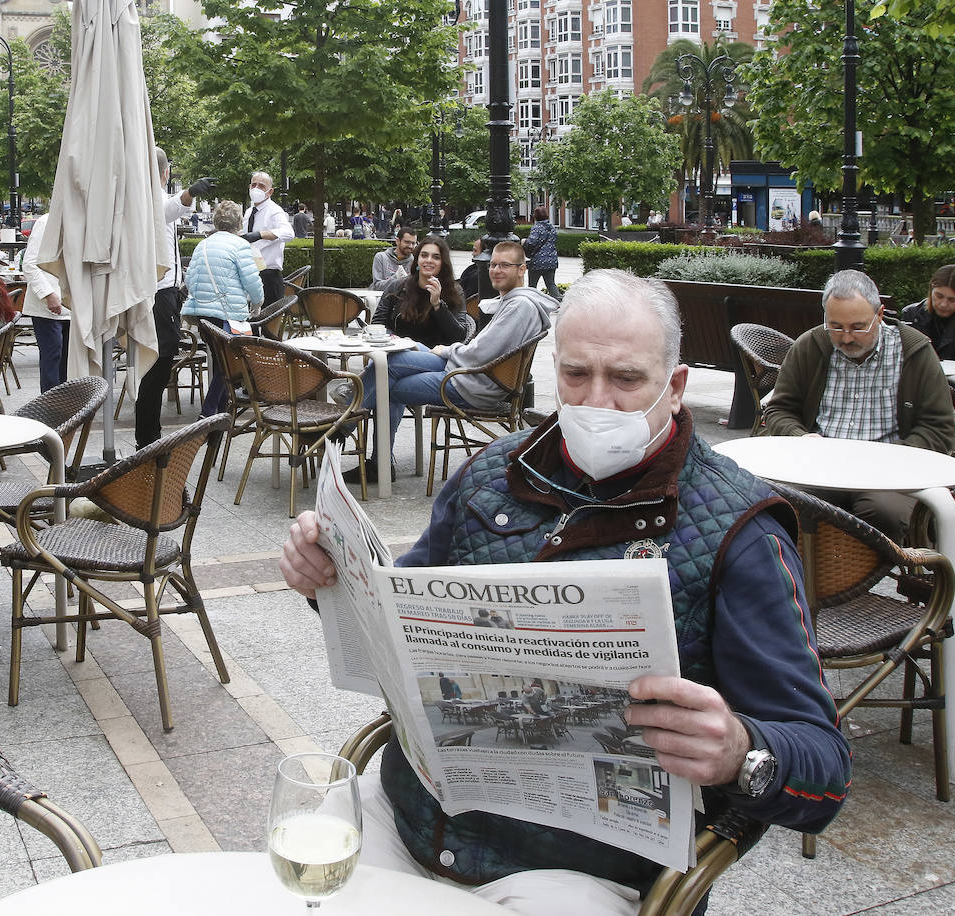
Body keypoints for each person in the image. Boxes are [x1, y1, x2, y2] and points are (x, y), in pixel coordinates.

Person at [279, 268, 851, 914]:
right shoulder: (489, 476)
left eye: (627, 379)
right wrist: (325, 575)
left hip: (577, 872)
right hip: (408, 817)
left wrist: (741, 750)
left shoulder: (739, 532)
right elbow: (397, 607)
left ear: (676, 385)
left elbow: (826, 767)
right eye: (576, 375)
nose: (596, 401)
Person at [764, 269, 955, 540]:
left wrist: (898, 457)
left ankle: (855, 579)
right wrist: (801, 437)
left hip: (890, 473)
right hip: (821, 467)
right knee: (781, 504)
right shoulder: (811, 345)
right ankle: (810, 577)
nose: (846, 338)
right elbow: (779, 409)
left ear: (879, 315)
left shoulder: (913, 351)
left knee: (883, 512)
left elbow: (940, 427)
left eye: (858, 327)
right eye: (836, 326)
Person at [343, 240, 549, 484]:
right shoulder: (514, 302)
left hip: (470, 381)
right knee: (394, 360)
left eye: (504, 265)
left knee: (385, 375)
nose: (495, 270)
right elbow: (477, 349)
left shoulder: (518, 306)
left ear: (522, 269)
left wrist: (446, 348)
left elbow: (478, 350)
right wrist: (445, 351)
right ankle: (362, 438)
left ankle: (344, 423)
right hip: (467, 371)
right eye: (493, 264)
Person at [136, 148, 216, 448]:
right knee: (157, 365)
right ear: (165, 171)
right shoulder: (150, 198)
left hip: (163, 293)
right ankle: (148, 438)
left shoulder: (147, 197)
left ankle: (148, 436)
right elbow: (165, 212)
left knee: (158, 363)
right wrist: (188, 193)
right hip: (158, 295)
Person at [182, 200, 264, 418]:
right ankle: (209, 411)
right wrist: (257, 303)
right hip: (228, 315)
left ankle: (220, 413)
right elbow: (252, 281)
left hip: (202, 314)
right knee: (228, 364)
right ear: (239, 223)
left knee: (222, 363)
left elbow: (189, 278)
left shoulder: (203, 244)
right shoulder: (240, 245)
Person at [372, 235, 467, 349]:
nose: (429, 260)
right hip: (398, 349)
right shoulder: (397, 287)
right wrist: (393, 339)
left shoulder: (454, 291)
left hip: (436, 356)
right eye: (424, 255)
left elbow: (459, 336)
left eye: (436, 257)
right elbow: (377, 324)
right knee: (381, 361)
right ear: (417, 260)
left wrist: (438, 305)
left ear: (443, 263)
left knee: (384, 362)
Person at [900, 264, 955, 377]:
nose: (943, 304)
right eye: (939, 296)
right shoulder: (911, 315)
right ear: (931, 290)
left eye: (952, 300)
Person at [20, 212, 71, 393]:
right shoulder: (46, 222)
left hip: (72, 306)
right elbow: (30, 263)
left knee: (69, 363)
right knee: (52, 360)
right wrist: (48, 294)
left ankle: (66, 409)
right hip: (48, 306)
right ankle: (50, 408)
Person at [241, 171, 293, 306]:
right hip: (249, 274)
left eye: (261, 186)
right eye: (253, 185)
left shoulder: (274, 211)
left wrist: (260, 234)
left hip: (269, 276)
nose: (256, 189)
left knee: (268, 325)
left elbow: (288, 233)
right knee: (250, 322)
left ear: (270, 192)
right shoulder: (249, 211)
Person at [523, 205, 560, 303]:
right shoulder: (552, 227)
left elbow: (531, 242)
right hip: (551, 260)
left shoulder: (537, 228)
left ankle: (532, 303)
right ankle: (559, 302)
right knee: (551, 283)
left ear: (535, 216)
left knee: (532, 285)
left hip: (537, 262)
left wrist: (524, 242)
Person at [370, 228, 416, 293]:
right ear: (397, 241)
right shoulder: (381, 257)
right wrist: (396, 277)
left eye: (413, 243)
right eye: (407, 242)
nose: (410, 246)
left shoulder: (415, 261)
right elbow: (377, 286)